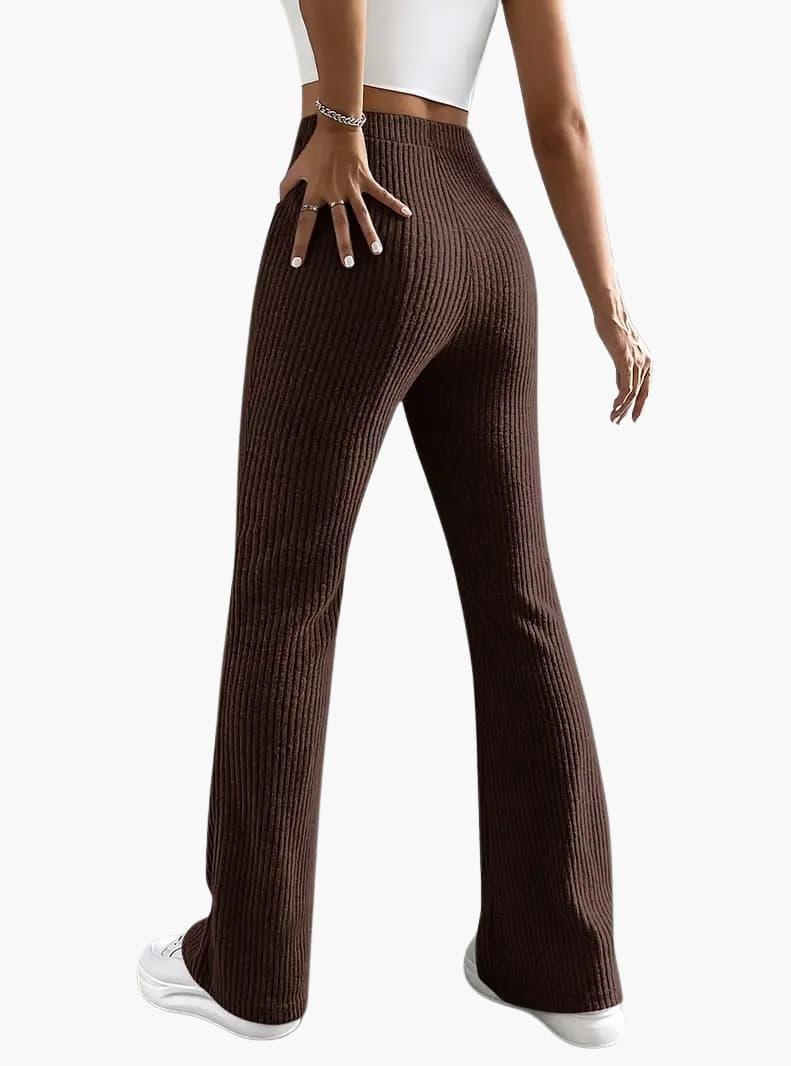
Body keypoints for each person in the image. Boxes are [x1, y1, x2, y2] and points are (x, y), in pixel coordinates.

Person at [137, 0, 651, 1049]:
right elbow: (560, 120)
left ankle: (252, 971)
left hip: (361, 205)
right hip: (487, 239)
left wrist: (340, 118)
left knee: (285, 589)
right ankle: (563, 963)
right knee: (517, 597)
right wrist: (609, 304)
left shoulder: (347, 148)